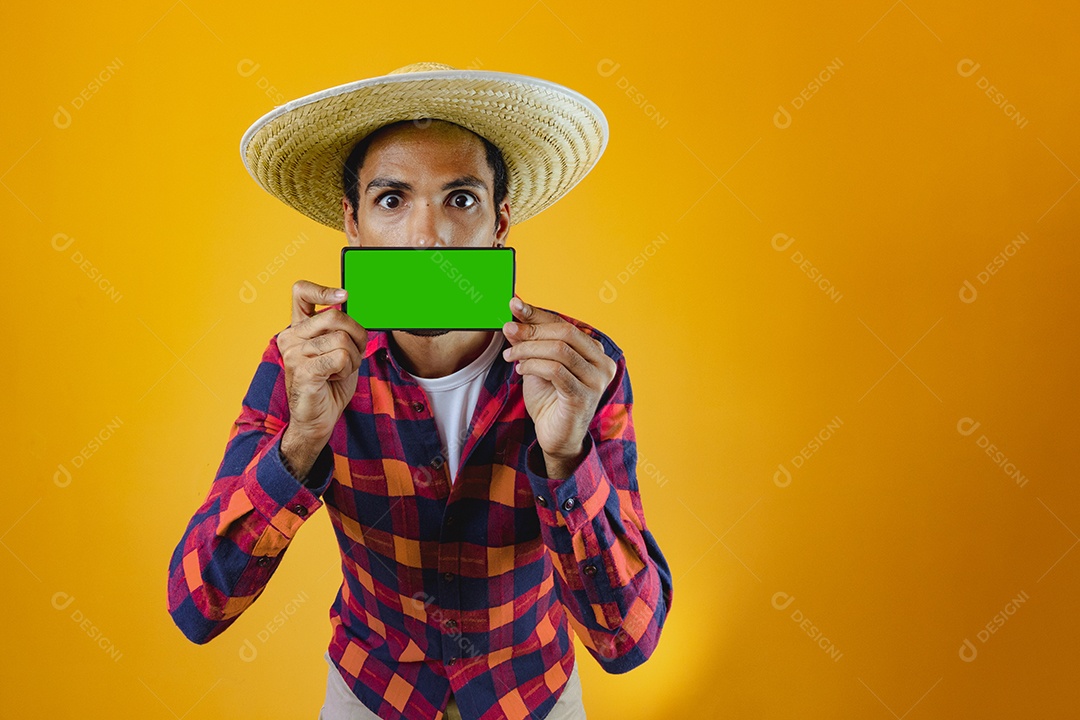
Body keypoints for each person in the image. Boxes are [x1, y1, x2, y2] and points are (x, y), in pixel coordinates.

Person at [167, 62, 673, 720]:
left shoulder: (582, 369)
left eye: (460, 199)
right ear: (352, 222)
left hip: (532, 692)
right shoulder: (303, 365)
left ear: (500, 220)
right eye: (391, 200)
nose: (426, 236)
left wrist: (567, 456)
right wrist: (302, 442)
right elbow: (199, 605)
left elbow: (628, 638)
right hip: (372, 690)